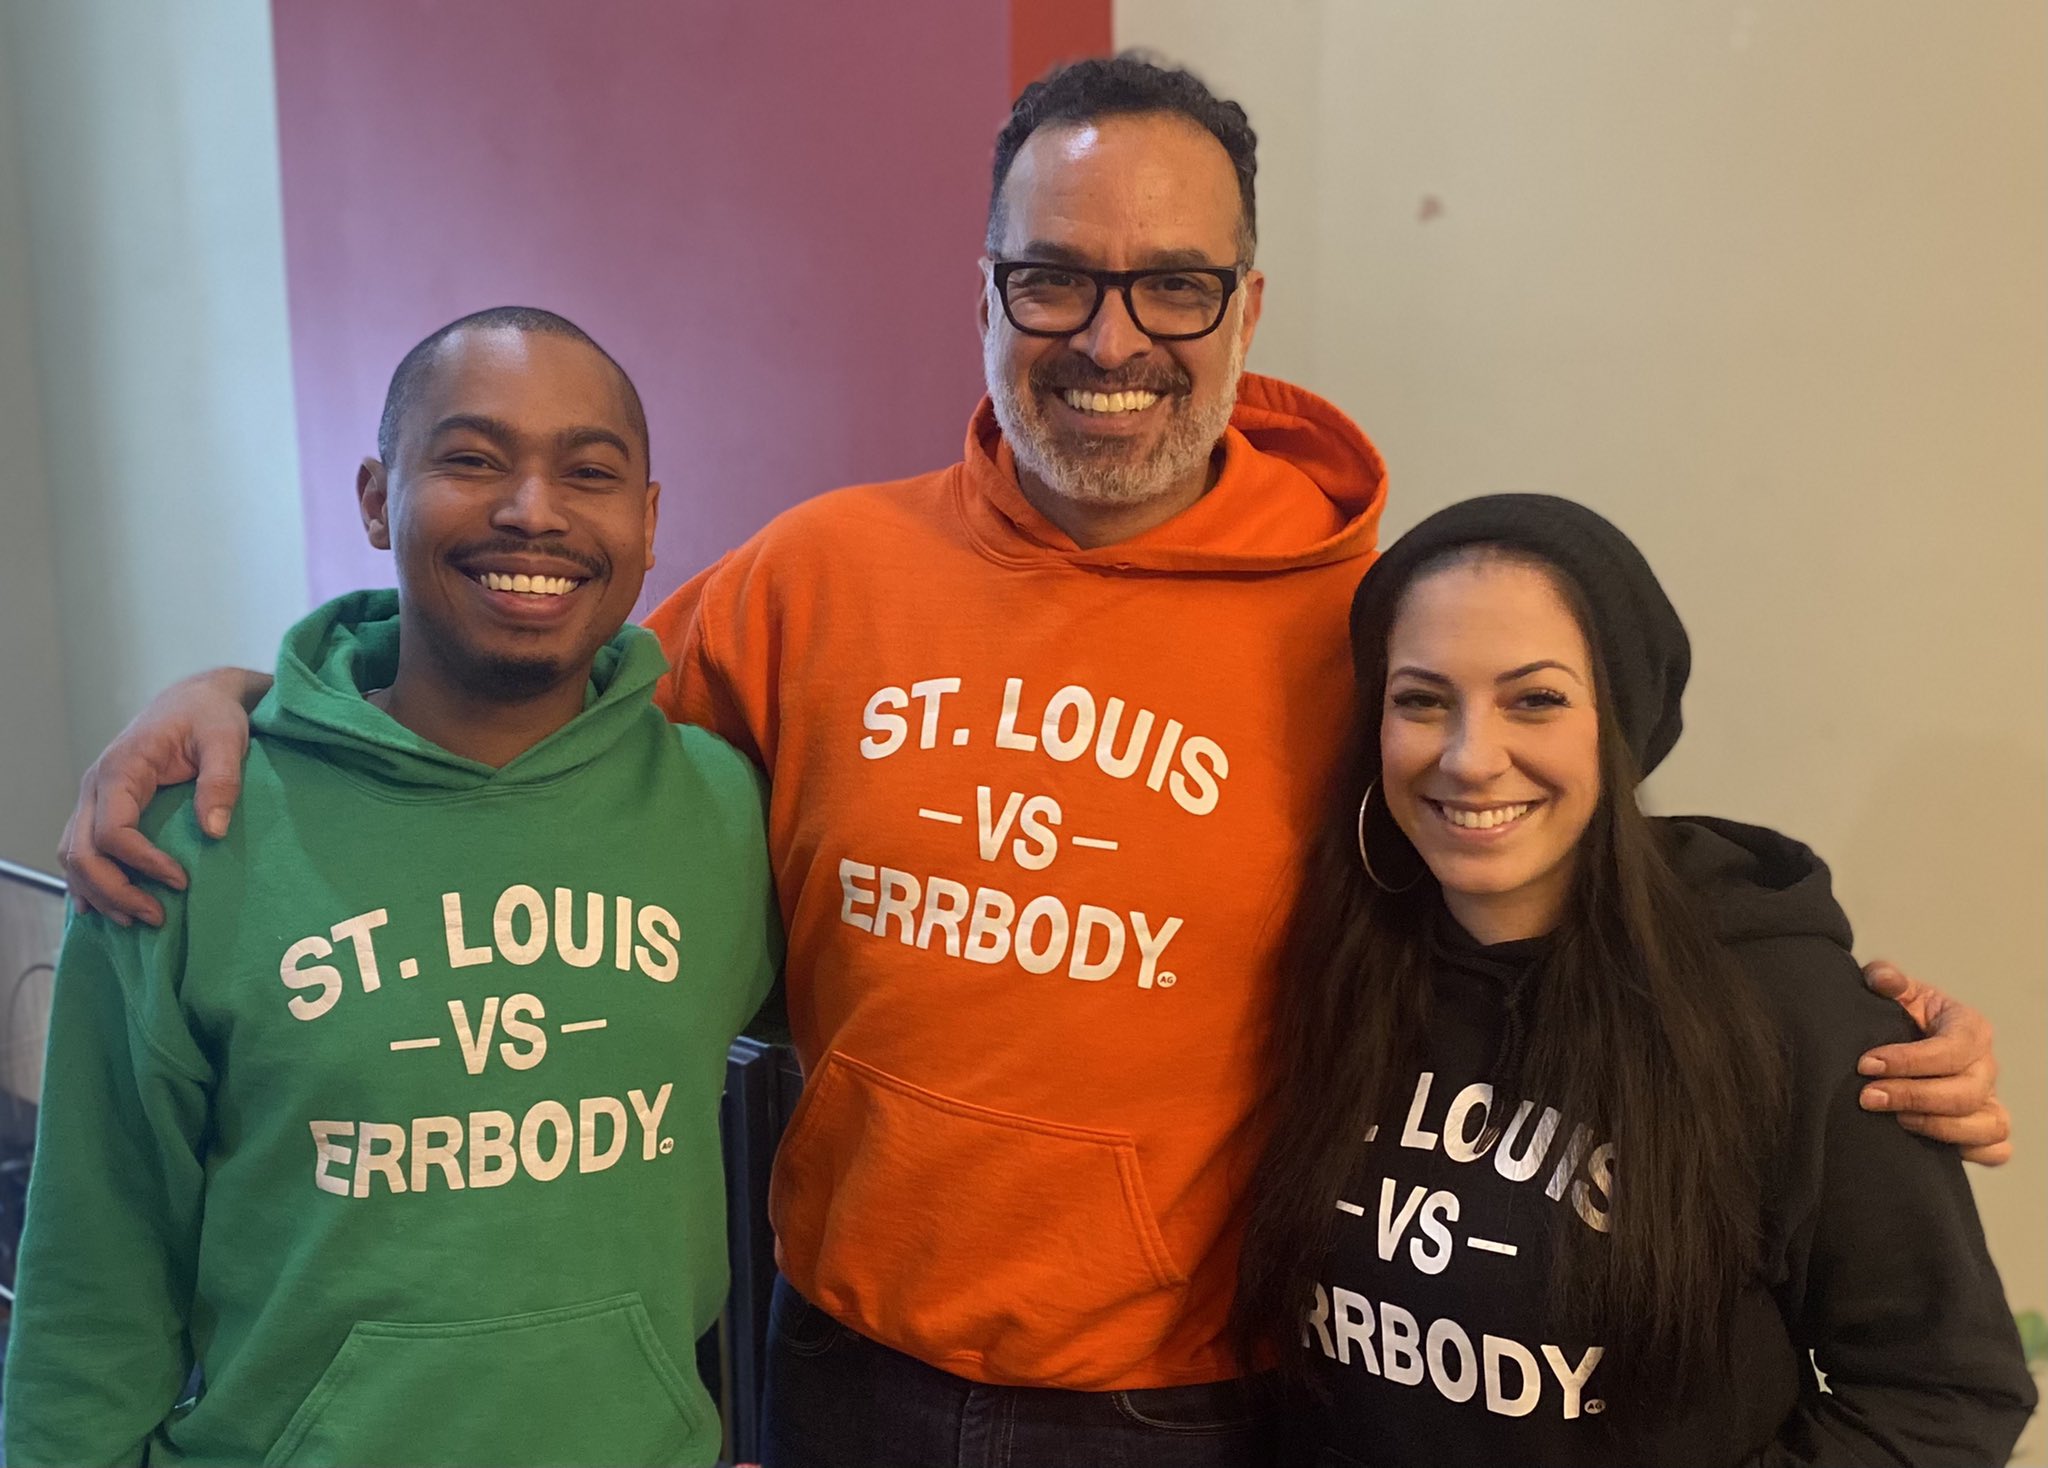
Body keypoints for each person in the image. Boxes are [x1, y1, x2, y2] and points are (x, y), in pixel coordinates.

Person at [53, 59, 2011, 1468]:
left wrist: (1821, 1001)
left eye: (1171, 283)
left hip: (1202, 1403)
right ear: (983, 294)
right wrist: (265, 687)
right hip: (833, 1382)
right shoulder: (820, 576)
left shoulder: (1356, 618)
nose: (1109, 337)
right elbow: (520, 698)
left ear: (1245, 307)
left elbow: (1545, 825)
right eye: (1052, 276)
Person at [5, 308, 780, 1467]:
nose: (532, 508)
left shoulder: (723, 808)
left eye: (588, 471)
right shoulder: (188, 828)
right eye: (471, 459)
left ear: (649, 520)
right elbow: (92, 1272)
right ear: (377, 497)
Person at [1233, 494, 2035, 1465]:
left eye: (1533, 698)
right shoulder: (1329, 966)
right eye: (1420, 698)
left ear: (1621, 720)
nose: (1468, 756)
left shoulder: (1784, 1007)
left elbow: (1942, 1391)